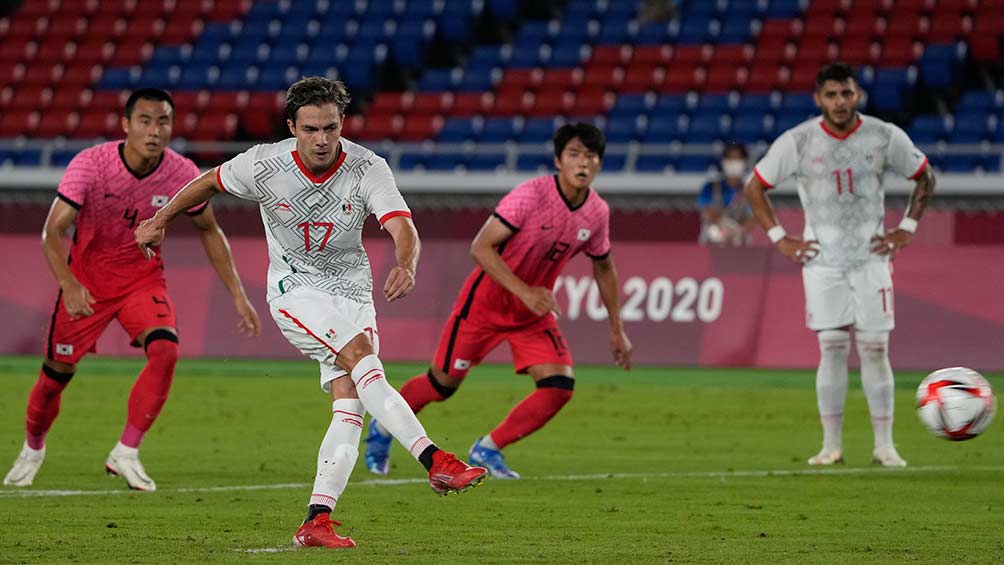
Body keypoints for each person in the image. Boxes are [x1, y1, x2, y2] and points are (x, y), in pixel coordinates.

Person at [133, 77, 487, 549]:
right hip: (294, 290)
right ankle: (436, 460)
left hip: (353, 292)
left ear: (342, 124)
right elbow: (207, 183)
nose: (322, 139)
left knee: (350, 402)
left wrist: (406, 263)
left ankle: (315, 521)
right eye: (311, 129)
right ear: (292, 127)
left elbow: (403, 227)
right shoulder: (264, 163)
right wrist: (160, 220)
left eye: (331, 128)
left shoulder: (366, 167)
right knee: (364, 361)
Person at [3, 88, 261, 491]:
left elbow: (209, 229)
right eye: (145, 120)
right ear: (126, 125)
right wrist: (69, 284)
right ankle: (33, 447)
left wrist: (239, 295)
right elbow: (52, 231)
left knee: (165, 350)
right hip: (87, 285)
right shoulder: (91, 165)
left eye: (163, 122)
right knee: (55, 377)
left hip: (142, 280)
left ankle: (125, 452)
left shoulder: (181, 172)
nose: (154, 131)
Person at [365, 123, 633, 479]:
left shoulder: (597, 212)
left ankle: (488, 448)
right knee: (441, 385)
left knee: (558, 387)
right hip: (485, 304)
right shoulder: (531, 196)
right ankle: (382, 429)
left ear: (599, 164)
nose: (583, 163)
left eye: (590, 156)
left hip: (531, 313)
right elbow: (480, 248)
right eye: (574, 154)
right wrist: (525, 291)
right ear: (558, 160)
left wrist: (617, 328)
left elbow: (604, 267)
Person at [743, 63, 936, 468]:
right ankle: (831, 446)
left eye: (846, 94)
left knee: (874, 349)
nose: (839, 102)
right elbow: (755, 186)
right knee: (831, 350)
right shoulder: (799, 140)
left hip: (871, 257)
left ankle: (884, 446)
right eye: (831, 95)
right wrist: (781, 239)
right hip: (822, 259)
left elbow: (925, 177)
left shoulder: (883, 136)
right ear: (818, 99)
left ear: (857, 95)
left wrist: (907, 228)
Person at [698, 142, 756, 246]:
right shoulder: (709, 187)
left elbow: (752, 219)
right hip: (711, 243)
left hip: (739, 244)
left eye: (737, 159)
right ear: (723, 161)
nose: (734, 162)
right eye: (730, 158)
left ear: (745, 162)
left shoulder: (750, 191)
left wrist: (738, 232)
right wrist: (725, 226)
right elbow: (707, 212)